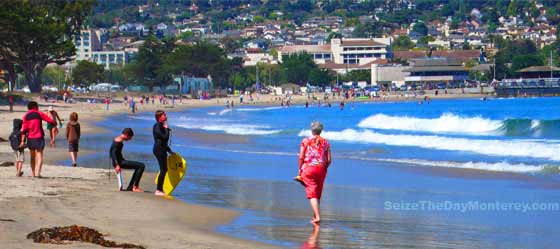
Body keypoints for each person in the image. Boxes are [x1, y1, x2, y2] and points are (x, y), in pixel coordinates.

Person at [296, 122, 332, 224]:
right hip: (321, 169)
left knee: (312, 193)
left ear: (311, 130)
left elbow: (301, 157)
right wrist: (324, 168)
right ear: (321, 130)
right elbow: (329, 160)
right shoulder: (326, 142)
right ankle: (315, 215)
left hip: (309, 168)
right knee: (317, 193)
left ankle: (317, 217)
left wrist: (300, 169)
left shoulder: (306, 140)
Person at [21, 101, 56, 178]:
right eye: (37, 106)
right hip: (39, 137)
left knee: (32, 156)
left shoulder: (25, 116)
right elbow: (49, 120)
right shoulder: (39, 113)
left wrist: (22, 141)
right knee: (39, 155)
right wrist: (54, 123)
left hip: (30, 138)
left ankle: (33, 173)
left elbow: (24, 130)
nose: (38, 107)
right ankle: (38, 173)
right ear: (34, 107)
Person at [109, 128, 145, 192]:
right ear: (126, 134)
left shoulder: (117, 139)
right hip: (120, 162)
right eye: (130, 137)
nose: (130, 139)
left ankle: (131, 186)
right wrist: (117, 165)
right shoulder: (118, 142)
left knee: (139, 166)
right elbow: (113, 153)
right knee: (141, 166)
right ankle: (135, 187)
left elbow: (111, 152)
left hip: (119, 161)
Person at [153, 110, 174, 196]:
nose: (166, 116)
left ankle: (159, 189)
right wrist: (166, 129)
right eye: (164, 115)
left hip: (162, 149)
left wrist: (170, 151)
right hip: (159, 150)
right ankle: (158, 190)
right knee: (163, 170)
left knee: (164, 169)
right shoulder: (157, 126)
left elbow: (164, 142)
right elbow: (165, 138)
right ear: (159, 117)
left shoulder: (161, 126)